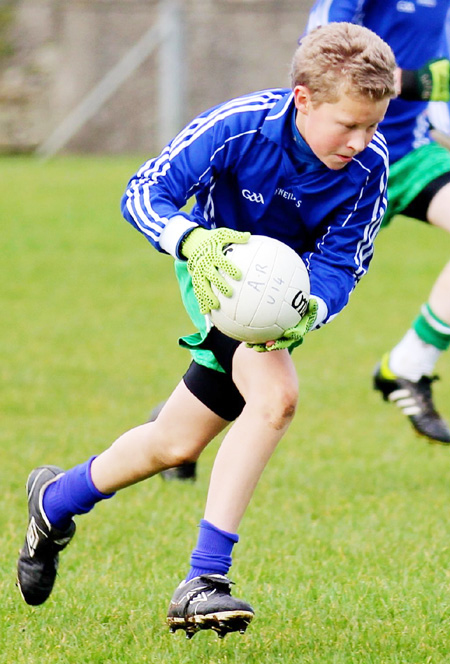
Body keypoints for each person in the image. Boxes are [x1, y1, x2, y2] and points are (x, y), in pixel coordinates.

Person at [16, 23, 396, 638]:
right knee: (276, 399)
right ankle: (206, 579)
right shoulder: (238, 126)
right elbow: (145, 192)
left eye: (372, 125)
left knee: (174, 444)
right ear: (302, 99)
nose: (361, 140)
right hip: (217, 276)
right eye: (348, 125)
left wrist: (309, 310)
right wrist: (193, 241)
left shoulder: (370, 166)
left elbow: (343, 262)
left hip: (281, 300)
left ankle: (53, 502)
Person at [305, 1, 450, 446]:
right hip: (336, 161)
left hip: (408, 156)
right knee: (263, 318)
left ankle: (409, 364)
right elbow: (320, 52)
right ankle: (175, 428)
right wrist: (408, 82)